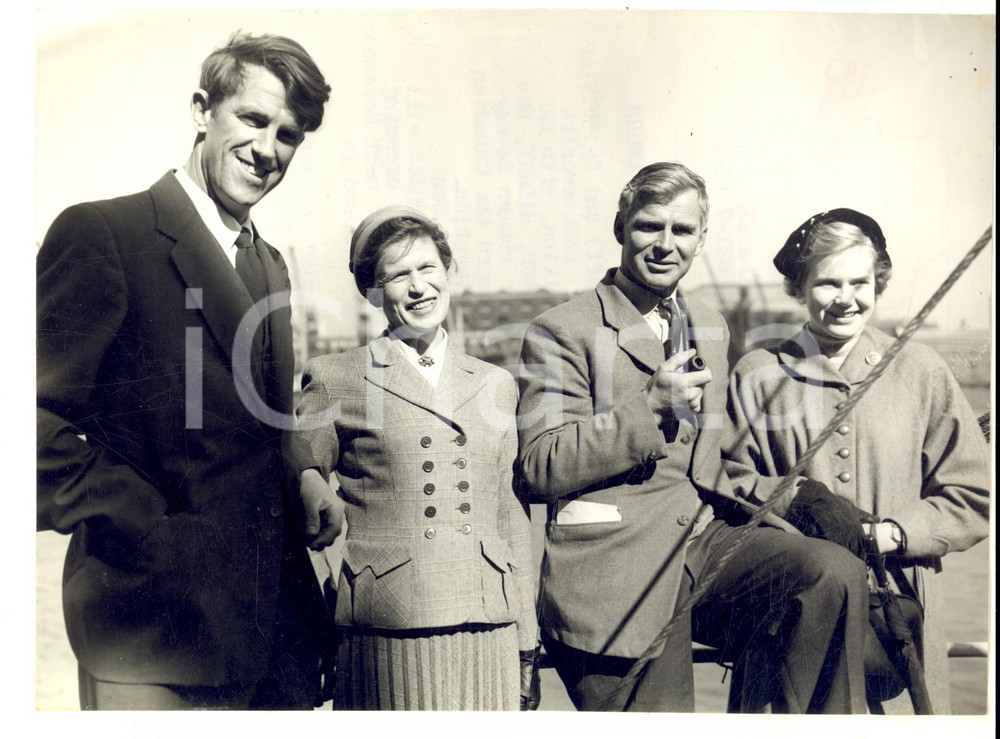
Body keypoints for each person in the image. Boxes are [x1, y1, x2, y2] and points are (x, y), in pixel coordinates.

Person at [37, 32, 336, 710]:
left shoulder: (269, 264)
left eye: (288, 135)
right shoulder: (105, 234)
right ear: (203, 109)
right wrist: (148, 523)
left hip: (271, 639)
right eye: (253, 119)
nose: (267, 149)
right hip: (152, 631)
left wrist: (304, 474)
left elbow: (264, 423)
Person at [516, 162, 871, 713]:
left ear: (701, 239)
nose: (665, 245)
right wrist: (648, 408)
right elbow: (540, 466)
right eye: (649, 226)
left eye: (681, 230)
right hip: (616, 577)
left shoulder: (708, 321)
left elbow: (713, 462)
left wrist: (795, 495)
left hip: (705, 546)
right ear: (620, 227)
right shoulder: (561, 329)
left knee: (831, 575)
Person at [724, 208, 990, 713]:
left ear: (878, 282)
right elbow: (728, 481)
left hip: (901, 618)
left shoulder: (920, 369)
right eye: (828, 283)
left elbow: (974, 493)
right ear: (799, 288)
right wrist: (798, 505)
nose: (846, 299)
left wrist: (891, 534)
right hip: (791, 615)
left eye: (860, 283)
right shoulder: (759, 374)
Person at [295, 206, 539, 710]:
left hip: (489, 623)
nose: (418, 287)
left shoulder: (496, 383)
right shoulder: (337, 377)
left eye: (428, 268)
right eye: (398, 275)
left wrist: (526, 638)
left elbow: (509, 514)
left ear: (449, 272)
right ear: (373, 292)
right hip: (386, 629)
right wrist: (322, 614)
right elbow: (298, 492)